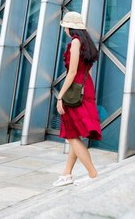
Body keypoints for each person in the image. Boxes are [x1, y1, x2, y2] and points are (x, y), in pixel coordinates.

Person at [52, 11, 102, 187]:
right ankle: (67, 174)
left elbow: (72, 72)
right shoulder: (86, 43)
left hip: (75, 90)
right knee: (74, 131)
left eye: (65, 26)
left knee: (72, 135)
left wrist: (60, 95)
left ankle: (93, 173)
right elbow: (87, 71)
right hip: (85, 87)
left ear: (69, 27)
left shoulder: (75, 42)